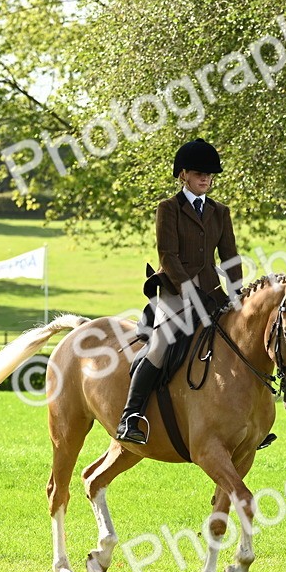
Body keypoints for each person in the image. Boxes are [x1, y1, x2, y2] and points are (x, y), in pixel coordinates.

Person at [115, 138, 244, 445]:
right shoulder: (168, 209)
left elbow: (230, 256)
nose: (206, 178)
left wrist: (238, 293)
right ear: (183, 174)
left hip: (212, 292)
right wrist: (189, 291)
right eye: (200, 172)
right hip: (175, 290)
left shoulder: (220, 212)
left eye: (210, 174)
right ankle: (131, 416)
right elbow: (168, 257)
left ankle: (244, 420)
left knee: (238, 341)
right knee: (160, 345)